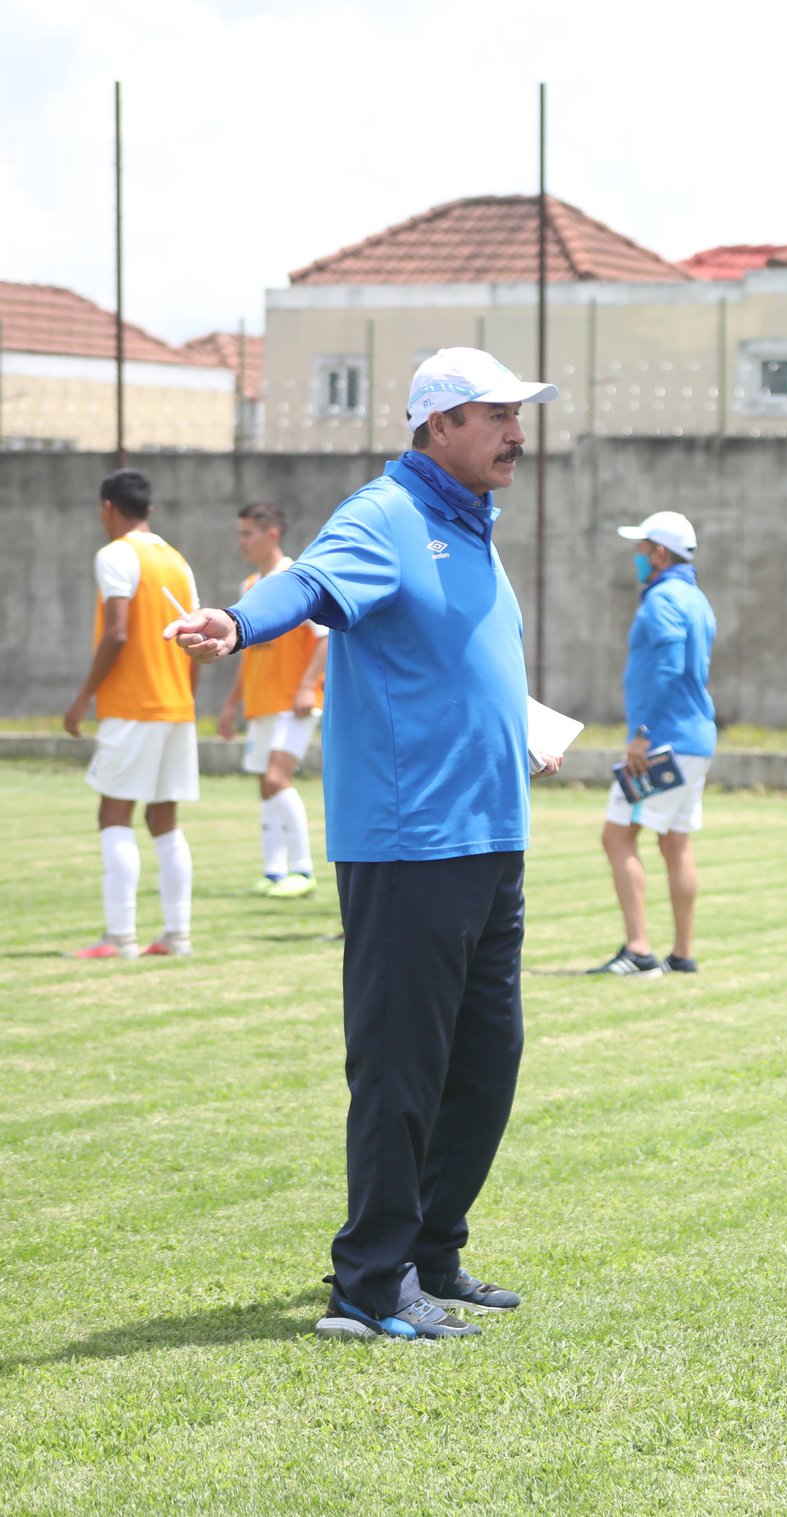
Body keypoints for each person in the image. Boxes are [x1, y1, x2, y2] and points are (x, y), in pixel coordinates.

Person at [167, 347, 560, 1342]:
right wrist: (238, 621)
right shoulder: (387, 513)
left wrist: (515, 725)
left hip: (489, 835)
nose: (516, 431)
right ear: (437, 426)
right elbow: (309, 585)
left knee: (485, 1061)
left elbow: (456, 660)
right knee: (400, 1067)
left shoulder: (470, 527)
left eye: (519, 412)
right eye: (493, 414)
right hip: (410, 842)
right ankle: (368, 1281)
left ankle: (431, 1251)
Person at [66, 469, 201, 959]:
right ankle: (176, 935)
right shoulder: (176, 561)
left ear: (108, 508)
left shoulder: (116, 554)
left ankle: (119, 936)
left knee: (114, 812)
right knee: (165, 819)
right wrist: (186, 698)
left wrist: (84, 697)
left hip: (133, 706)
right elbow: (195, 640)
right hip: (176, 706)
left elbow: (118, 631)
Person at [588, 511, 717, 977]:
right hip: (695, 739)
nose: (639, 557)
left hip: (664, 741)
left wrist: (642, 734)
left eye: (642, 548)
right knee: (675, 842)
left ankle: (639, 951)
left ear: (660, 554)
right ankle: (681, 954)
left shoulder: (662, 599)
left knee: (617, 834)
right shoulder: (697, 599)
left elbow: (667, 666)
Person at [217, 502, 327, 898]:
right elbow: (243, 650)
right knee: (265, 785)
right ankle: (275, 871)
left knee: (277, 779)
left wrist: (305, 687)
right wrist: (231, 705)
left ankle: (303, 870)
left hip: (293, 702)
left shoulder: (297, 580)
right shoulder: (250, 586)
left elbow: (325, 639)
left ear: (272, 535)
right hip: (261, 703)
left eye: (248, 533)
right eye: (240, 533)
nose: (241, 541)